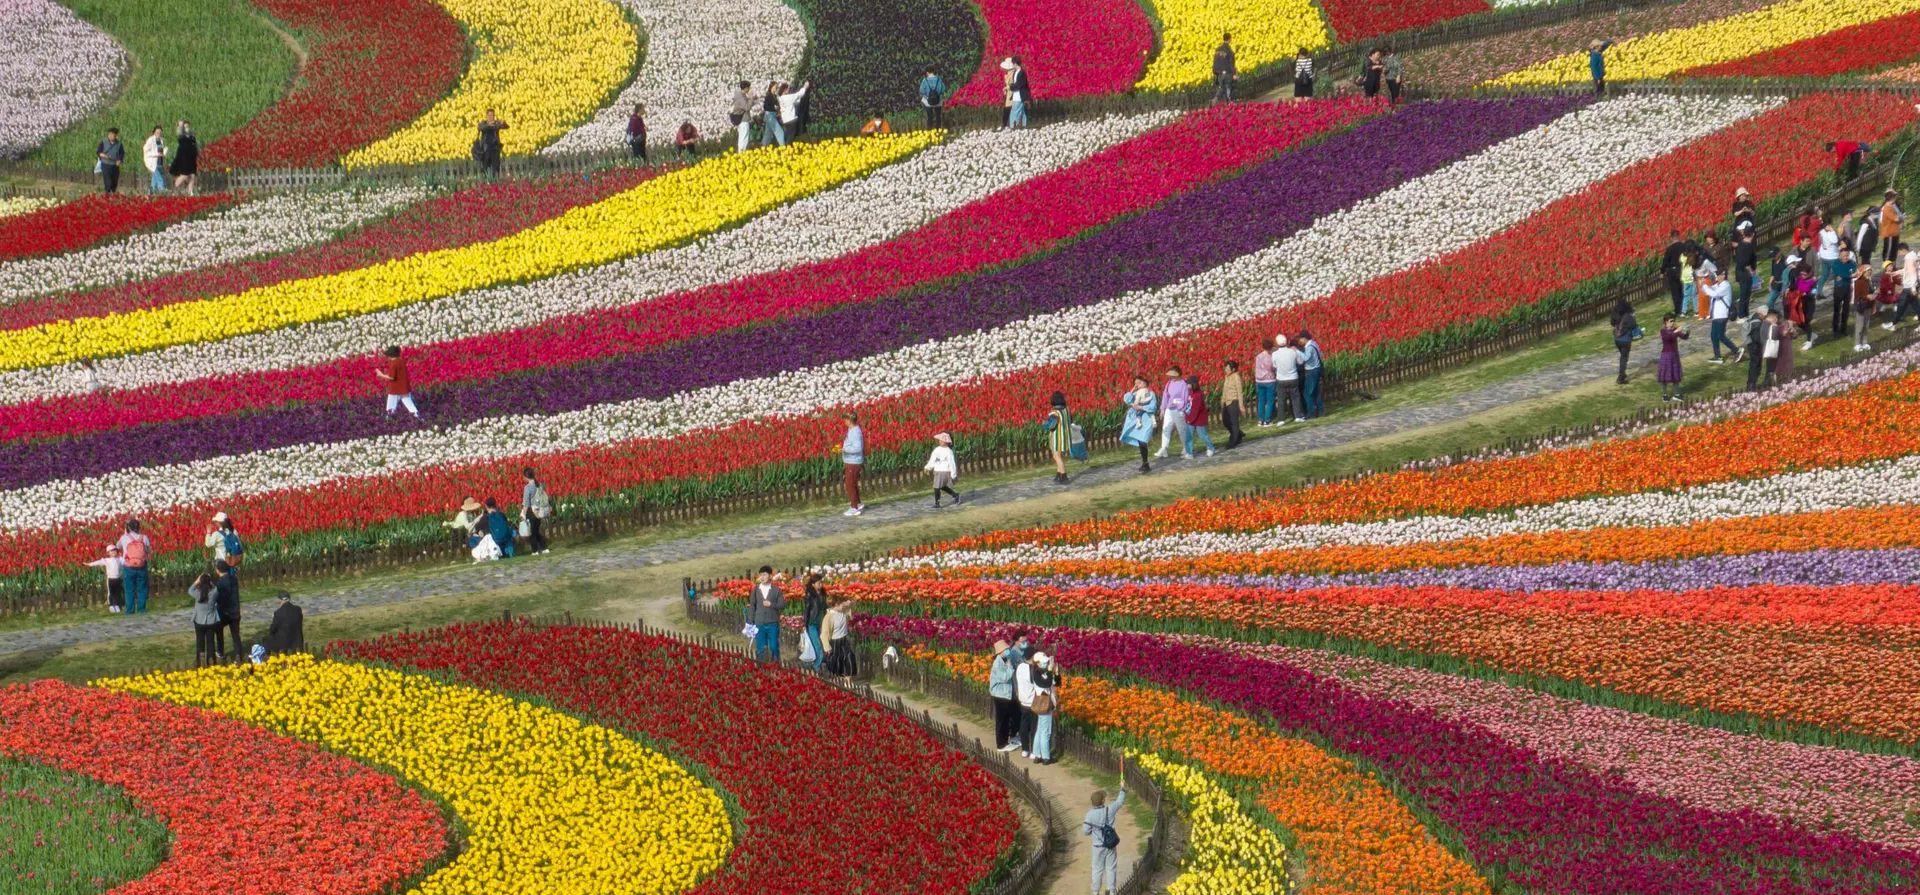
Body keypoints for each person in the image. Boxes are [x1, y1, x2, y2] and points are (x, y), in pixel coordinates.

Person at [1086, 785, 1126, 895]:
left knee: (1097, 870)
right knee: (1111, 868)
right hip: (1110, 845)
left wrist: (1093, 832)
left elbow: (1085, 831)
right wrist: (1122, 789)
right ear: (1103, 800)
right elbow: (1119, 802)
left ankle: (1095, 892)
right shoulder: (1110, 809)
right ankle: (1112, 891)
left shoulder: (1089, 815)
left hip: (1097, 847)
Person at [989, 639, 1023, 751]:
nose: (1008, 651)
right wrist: (1010, 667)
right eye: (1006, 649)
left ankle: (1011, 737)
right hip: (999, 695)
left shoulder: (1005, 659)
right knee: (1001, 720)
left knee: (1012, 715)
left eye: (1008, 649)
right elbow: (1004, 678)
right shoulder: (997, 663)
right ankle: (1001, 744)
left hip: (1006, 694)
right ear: (1000, 652)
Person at [746, 566, 784, 662]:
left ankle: (776, 666)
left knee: (774, 646)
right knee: (760, 647)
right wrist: (750, 621)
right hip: (759, 623)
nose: (762, 577)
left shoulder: (777, 590)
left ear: (770, 576)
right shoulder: (756, 590)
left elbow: (781, 605)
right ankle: (761, 668)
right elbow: (752, 606)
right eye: (761, 575)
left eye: (764, 575)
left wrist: (771, 604)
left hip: (772, 623)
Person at [1120, 376, 1157, 473]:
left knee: (1143, 440)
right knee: (1141, 442)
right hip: (1137, 420)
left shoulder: (1150, 393)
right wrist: (1133, 389)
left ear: (1145, 383)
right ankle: (1145, 463)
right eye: (1136, 383)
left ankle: (1145, 463)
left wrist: (1140, 407)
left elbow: (1153, 407)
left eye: (1139, 382)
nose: (1137, 385)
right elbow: (1127, 399)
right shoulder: (1135, 394)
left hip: (1147, 419)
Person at [116, 519, 152, 614]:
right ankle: (141, 609)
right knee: (142, 589)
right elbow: (148, 551)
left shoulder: (124, 537)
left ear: (129, 527)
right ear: (139, 527)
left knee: (129, 589)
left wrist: (125, 532)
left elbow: (117, 546)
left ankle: (130, 610)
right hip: (141, 566)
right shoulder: (144, 537)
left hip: (128, 567)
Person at [1155, 367, 1191, 460]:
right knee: (1166, 428)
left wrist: (1181, 408)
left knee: (1181, 429)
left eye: (1173, 375)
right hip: (1169, 409)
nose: (1171, 377)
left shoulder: (1183, 384)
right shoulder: (1169, 383)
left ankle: (1186, 448)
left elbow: (1185, 397)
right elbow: (1165, 396)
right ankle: (1164, 448)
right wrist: (1163, 408)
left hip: (1178, 410)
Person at [377, 346, 420, 420]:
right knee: (408, 401)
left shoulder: (394, 363)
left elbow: (392, 377)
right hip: (404, 387)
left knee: (391, 404)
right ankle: (416, 415)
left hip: (395, 388)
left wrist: (381, 375)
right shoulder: (401, 361)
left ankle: (389, 417)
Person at [1028, 652, 1057, 763]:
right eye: (1044, 662)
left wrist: (1053, 670)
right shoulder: (1036, 674)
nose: (1046, 664)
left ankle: (1037, 754)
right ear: (1038, 663)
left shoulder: (1041, 672)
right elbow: (1046, 683)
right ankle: (1046, 756)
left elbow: (1055, 682)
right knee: (1046, 731)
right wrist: (1050, 671)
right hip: (1044, 703)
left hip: (1043, 703)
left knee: (1040, 730)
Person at [190, 573, 222, 666]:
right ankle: (211, 661)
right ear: (209, 583)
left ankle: (200, 661)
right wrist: (210, 581)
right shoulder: (214, 593)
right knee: (210, 642)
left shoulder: (198, 593)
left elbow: (190, 590)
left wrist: (197, 581)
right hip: (211, 621)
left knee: (200, 641)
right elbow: (215, 588)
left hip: (199, 621)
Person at [822, 596, 857, 682]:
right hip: (835, 642)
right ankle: (837, 682)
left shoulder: (843, 612)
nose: (843, 606)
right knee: (837, 662)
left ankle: (848, 681)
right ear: (836, 605)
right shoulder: (829, 617)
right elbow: (824, 633)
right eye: (842, 604)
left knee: (849, 657)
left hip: (844, 640)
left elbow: (852, 604)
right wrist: (827, 647)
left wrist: (848, 602)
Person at [1705, 270, 1737, 364]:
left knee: (1720, 336)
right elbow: (1710, 289)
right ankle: (1717, 356)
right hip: (1716, 315)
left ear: (1724, 276)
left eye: (1721, 275)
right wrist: (1705, 284)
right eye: (1718, 275)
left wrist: (1704, 286)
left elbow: (1714, 294)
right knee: (1714, 335)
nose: (1718, 277)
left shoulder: (1725, 285)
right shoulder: (1718, 285)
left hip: (1722, 315)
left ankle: (1736, 350)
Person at [1014, 649, 1041, 758]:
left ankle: (1025, 749)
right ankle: (1034, 751)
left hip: (1023, 701)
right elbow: (1037, 684)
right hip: (1032, 702)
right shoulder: (1032, 669)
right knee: (1034, 727)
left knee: (1024, 725)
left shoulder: (1020, 667)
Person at [1273, 336, 1306, 423]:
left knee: (1281, 399)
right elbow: (1300, 362)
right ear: (1286, 342)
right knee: (1295, 397)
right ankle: (1298, 416)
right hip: (1293, 377)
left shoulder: (1275, 354)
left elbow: (1274, 366)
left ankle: (1281, 419)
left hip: (1281, 378)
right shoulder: (1292, 352)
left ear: (1277, 343)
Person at [1657, 314, 1688, 402]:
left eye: (1673, 321)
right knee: (1664, 375)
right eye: (1671, 321)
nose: (1672, 323)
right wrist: (1676, 331)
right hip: (1666, 355)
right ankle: (1665, 394)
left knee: (1676, 374)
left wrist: (1687, 331)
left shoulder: (1675, 330)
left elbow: (1684, 337)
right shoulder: (1663, 331)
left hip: (1674, 354)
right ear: (1666, 322)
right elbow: (1668, 338)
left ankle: (1677, 394)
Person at [1044, 392, 1073, 484]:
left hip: (1057, 438)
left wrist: (1044, 424)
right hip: (1065, 437)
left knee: (1057, 457)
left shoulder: (1054, 413)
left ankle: (1064, 476)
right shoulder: (1067, 410)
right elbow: (1071, 420)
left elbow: (1051, 426)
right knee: (1059, 456)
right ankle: (1059, 474)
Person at [839, 411, 865, 516]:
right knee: (852, 483)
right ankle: (857, 503)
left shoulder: (855, 432)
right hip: (850, 461)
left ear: (850, 420)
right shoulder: (852, 430)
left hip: (853, 462)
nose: (844, 422)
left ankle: (854, 507)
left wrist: (844, 449)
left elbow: (858, 448)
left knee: (849, 484)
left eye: (845, 420)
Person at [520, 466, 552, 555]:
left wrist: (523, 513)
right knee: (536, 531)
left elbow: (526, 503)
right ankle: (544, 548)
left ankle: (535, 551)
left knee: (531, 533)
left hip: (531, 512)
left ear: (526, 477)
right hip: (540, 511)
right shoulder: (540, 485)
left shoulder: (528, 488)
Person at [1183, 375, 1216, 457]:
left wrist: (1189, 419)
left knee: (1203, 435)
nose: (1187, 385)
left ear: (1193, 384)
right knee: (1189, 436)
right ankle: (1189, 452)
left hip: (1199, 419)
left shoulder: (1198, 395)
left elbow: (1195, 409)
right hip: (1190, 418)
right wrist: (1186, 416)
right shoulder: (1190, 393)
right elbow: (1188, 406)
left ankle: (1210, 448)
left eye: (1188, 384)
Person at [214, 560, 241, 661]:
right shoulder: (234, 579)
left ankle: (220, 651)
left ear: (218, 570)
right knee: (235, 635)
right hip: (235, 611)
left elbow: (219, 598)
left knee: (219, 631)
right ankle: (238, 654)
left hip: (224, 612)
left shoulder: (220, 583)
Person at [1829, 246, 1858, 337]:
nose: (1846, 257)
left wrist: (1848, 275)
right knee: (1837, 310)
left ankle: (1843, 329)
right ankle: (1835, 329)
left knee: (1846, 310)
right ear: (1839, 255)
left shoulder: (1852, 263)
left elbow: (1855, 272)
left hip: (1847, 289)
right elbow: (1839, 274)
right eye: (1844, 256)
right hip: (1838, 289)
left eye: (1847, 255)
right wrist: (1850, 275)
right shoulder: (1836, 263)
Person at [925, 432, 960, 507]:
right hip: (937, 471)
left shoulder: (948, 451)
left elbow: (952, 463)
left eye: (942, 440)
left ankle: (937, 503)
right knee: (941, 486)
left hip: (945, 471)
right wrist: (928, 467)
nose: (940, 441)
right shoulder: (937, 450)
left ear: (946, 442)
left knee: (937, 486)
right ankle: (955, 495)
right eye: (939, 440)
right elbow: (932, 460)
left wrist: (953, 474)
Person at [801, 572, 828, 671]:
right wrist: (805, 624)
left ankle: (813, 666)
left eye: (821, 583)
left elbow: (824, 609)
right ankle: (816, 668)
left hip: (820, 624)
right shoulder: (810, 595)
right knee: (818, 647)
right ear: (813, 584)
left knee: (822, 646)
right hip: (811, 624)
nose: (820, 585)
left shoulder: (823, 594)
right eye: (818, 583)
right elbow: (806, 611)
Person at [86, 545, 125, 613]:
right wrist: (90, 564)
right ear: (108, 553)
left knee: (118, 592)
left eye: (114, 550)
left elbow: (127, 563)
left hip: (118, 579)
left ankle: (117, 605)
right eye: (111, 551)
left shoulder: (120, 559)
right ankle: (111, 605)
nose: (113, 552)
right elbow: (98, 562)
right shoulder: (107, 560)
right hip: (111, 579)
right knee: (111, 593)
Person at [265, 590, 304, 655]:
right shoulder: (297, 609)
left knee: (269, 638)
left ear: (280, 600)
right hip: (297, 639)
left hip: (283, 641)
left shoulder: (278, 612)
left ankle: (268, 655)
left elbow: (273, 629)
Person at [1609, 297, 1638, 384]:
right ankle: (1621, 377)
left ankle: (1623, 373)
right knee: (1624, 358)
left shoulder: (1615, 314)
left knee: (1623, 357)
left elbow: (1612, 323)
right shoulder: (1628, 316)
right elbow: (1634, 325)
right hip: (1625, 340)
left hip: (1617, 339)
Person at [1219, 360, 1245, 449]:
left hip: (1234, 401)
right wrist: (1222, 401)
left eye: (1228, 369)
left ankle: (1233, 441)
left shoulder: (1236, 377)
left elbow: (1239, 392)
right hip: (1226, 401)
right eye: (1225, 368)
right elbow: (1224, 390)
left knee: (1234, 423)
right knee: (1226, 422)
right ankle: (1238, 433)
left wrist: (1241, 406)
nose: (1226, 370)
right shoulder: (1227, 377)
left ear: (1233, 369)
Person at [1743, 306, 1770, 391]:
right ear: (1760, 314)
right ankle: (1751, 385)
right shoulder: (1757, 324)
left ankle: (1751, 383)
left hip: (1751, 344)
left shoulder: (1753, 316)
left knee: (1755, 364)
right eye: (1765, 315)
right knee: (1755, 365)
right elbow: (1757, 338)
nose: (1766, 317)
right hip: (1754, 346)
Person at [1298, 331, 1324, 417]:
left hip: (1311, 371)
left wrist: (1297, 351)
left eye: (1300, 339)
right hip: (1317, 369)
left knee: (1307, 393)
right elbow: (1321, 354)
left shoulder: (1309, 347)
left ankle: (1311, 412)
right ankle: (1321, 411)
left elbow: (1306, 358)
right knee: (1316, 392)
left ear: (1304, 338)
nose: (1300, 340)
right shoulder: (1314, 343)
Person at [474, 109, 507, 176]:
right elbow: (480, 127)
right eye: (489, 115)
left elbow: (505, 127)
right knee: (485, 168)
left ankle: (495, 183)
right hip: (485, 149)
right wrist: (489, 125)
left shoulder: (496, 123)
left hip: (495, 148)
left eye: (492, 115)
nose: (490, 117)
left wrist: (503, 123)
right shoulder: (483, 123)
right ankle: (486, 183)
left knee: (496, 168)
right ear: (487, 116)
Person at [1252, 338, 1277, 425]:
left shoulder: (1258, 356)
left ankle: (1260, 420)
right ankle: (1267, 420)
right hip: (1269, 380)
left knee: (1261, 401)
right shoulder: (1271, 356)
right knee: (1270, 401)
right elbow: (1273, 368)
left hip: (1259, 380)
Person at [1733, 229, 1757, 317]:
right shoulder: (1747, 246)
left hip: (1740, 271)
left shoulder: (1741, 244)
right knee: (1744, 294)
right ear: (1752, 234)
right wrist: (1751, 270)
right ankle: (1742, 314)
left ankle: (1745, 313)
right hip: (1745, 272)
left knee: (1746, 294)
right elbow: (1745, 261)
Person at [169, 120, 199, 195]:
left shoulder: (192, 136)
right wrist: (180, 125)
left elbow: (196, 145)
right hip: (183, 157)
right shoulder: (181, 135)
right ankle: (174, 190)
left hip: (192, 157)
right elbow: (179, 132)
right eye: (185, 127)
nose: (187, 128)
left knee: (192, 175)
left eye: (188, 126)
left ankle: (190, 192)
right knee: (184, 175)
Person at [1852, 266, 1877, 351]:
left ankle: (1864, 342)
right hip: (1861, 306)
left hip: (1869, 306)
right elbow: (1857, 295)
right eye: (1867, 271)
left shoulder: (1870, 281)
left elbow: (1872, 292)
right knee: (1860, 325)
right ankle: (1857, 343)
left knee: (1866, 325)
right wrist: (1867, 296)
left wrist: (1875, 295)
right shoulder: (1859, 282)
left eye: (1870, 271)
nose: (1869, 273)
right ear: (1863, 272)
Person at [1771, 311, 1797, 385]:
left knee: (1787, 365)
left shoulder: (1787, 325)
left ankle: (1788, 380)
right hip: (1778, 349)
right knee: (1778, 366)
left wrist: (1792, 330)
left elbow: (1795, 336)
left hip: (1787, 349)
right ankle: (1776, 382)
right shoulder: (1774, 327)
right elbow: (1774, 337)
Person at [95, 128, 124, 194]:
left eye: (112, 135)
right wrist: (102, 155)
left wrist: (119, 160)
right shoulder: (103, 142)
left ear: (116, 135)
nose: (110, 136)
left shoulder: (119, 144)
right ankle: (107, 194)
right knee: (108, 181)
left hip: (115, 165)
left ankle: (113, 194)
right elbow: (98, 151)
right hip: (105, 164)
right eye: (109, 134)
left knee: (114, 181)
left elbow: (122, 154)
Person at [730, 81, 755, 152]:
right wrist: (751, 98)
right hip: (743, 120)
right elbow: (746, 107)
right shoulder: (740, 97)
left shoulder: (740, 95)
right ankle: (742, 153)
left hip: (741, 119)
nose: (750, 89)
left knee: (742, 137)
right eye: (749, 88)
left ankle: (741, 152)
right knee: (744, 138)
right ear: (746, 88)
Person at [1005, 58, 1030, 129]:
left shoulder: (1022, 73)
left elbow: (1019, 84)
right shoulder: (1015, 72)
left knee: (1016, 111)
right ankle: (1021, 125)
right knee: (1021, 110)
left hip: (1021, 95)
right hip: (1016, 95)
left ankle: (1014, 126)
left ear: (1015, 64)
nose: (1012, 65)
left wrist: (1010, 87)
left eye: (1013, 64)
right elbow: (1015, 83)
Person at [142, 125, 167, 193]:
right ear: (154, 133)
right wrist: (156, 153)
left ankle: (150, 193)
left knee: (154, 180)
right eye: (157, 132)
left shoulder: (162, 140)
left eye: (160, 132)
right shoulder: (151, 140)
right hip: (152, 163)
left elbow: (163, 149)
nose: (159, 134)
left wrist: (164, 152)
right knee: (160, 179)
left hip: (159, 163)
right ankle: (162, 193)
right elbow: (145, 150)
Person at [761, 82, 787, 147]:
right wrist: (774, 108)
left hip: (773, 115)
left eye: (777, 87)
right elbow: (765, 107)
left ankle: (763, 147)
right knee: (779, 132)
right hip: (769, 115)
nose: (776, 88)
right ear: (771, 87)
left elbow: (777, 105)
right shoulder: (768, 95)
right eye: (775, 87)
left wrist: (778, 110)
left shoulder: (774, 96)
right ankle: (783, 147)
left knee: (768, 133)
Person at [1212, 33, 1236, 103]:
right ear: (1229, 39)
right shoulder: (1229, 51)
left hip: (1219, 72)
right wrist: (1234, 73)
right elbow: (1231, 63)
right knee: (1228, 86)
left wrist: (1215, 71)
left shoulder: (1218, 50)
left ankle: (1216, 98)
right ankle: (1229, 101)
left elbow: (1215, 61)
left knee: (1222, 87)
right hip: (1227, 72)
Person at [1881, 191, 1904, 263]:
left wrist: (1900, 217)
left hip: (1895, 233)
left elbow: (1898, 218)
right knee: (1889, 251)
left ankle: (1892, 266)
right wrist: (1901, 217)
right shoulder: (1887, 207)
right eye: (1894, 197)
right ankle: (1887, 267)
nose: (1895, 198)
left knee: (1894, 251)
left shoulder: (1892, 206)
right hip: (1889, 233)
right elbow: (1896, 219)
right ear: (1891, 198)